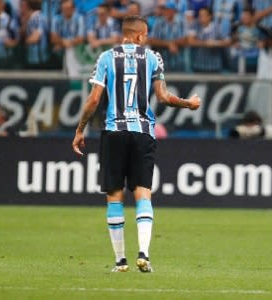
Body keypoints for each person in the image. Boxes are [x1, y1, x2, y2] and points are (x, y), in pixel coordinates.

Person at [72, 16, 201, 273]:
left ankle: (121, 261)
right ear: (141, 36)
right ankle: (144, 253)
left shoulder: (106, 57)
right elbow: (163, 97)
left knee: (114, 196)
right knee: (143, 192)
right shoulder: (153, 58)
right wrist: (189, 103)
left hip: (114, 131)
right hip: (143, 132)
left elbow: (94, 100)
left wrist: (79, 130)